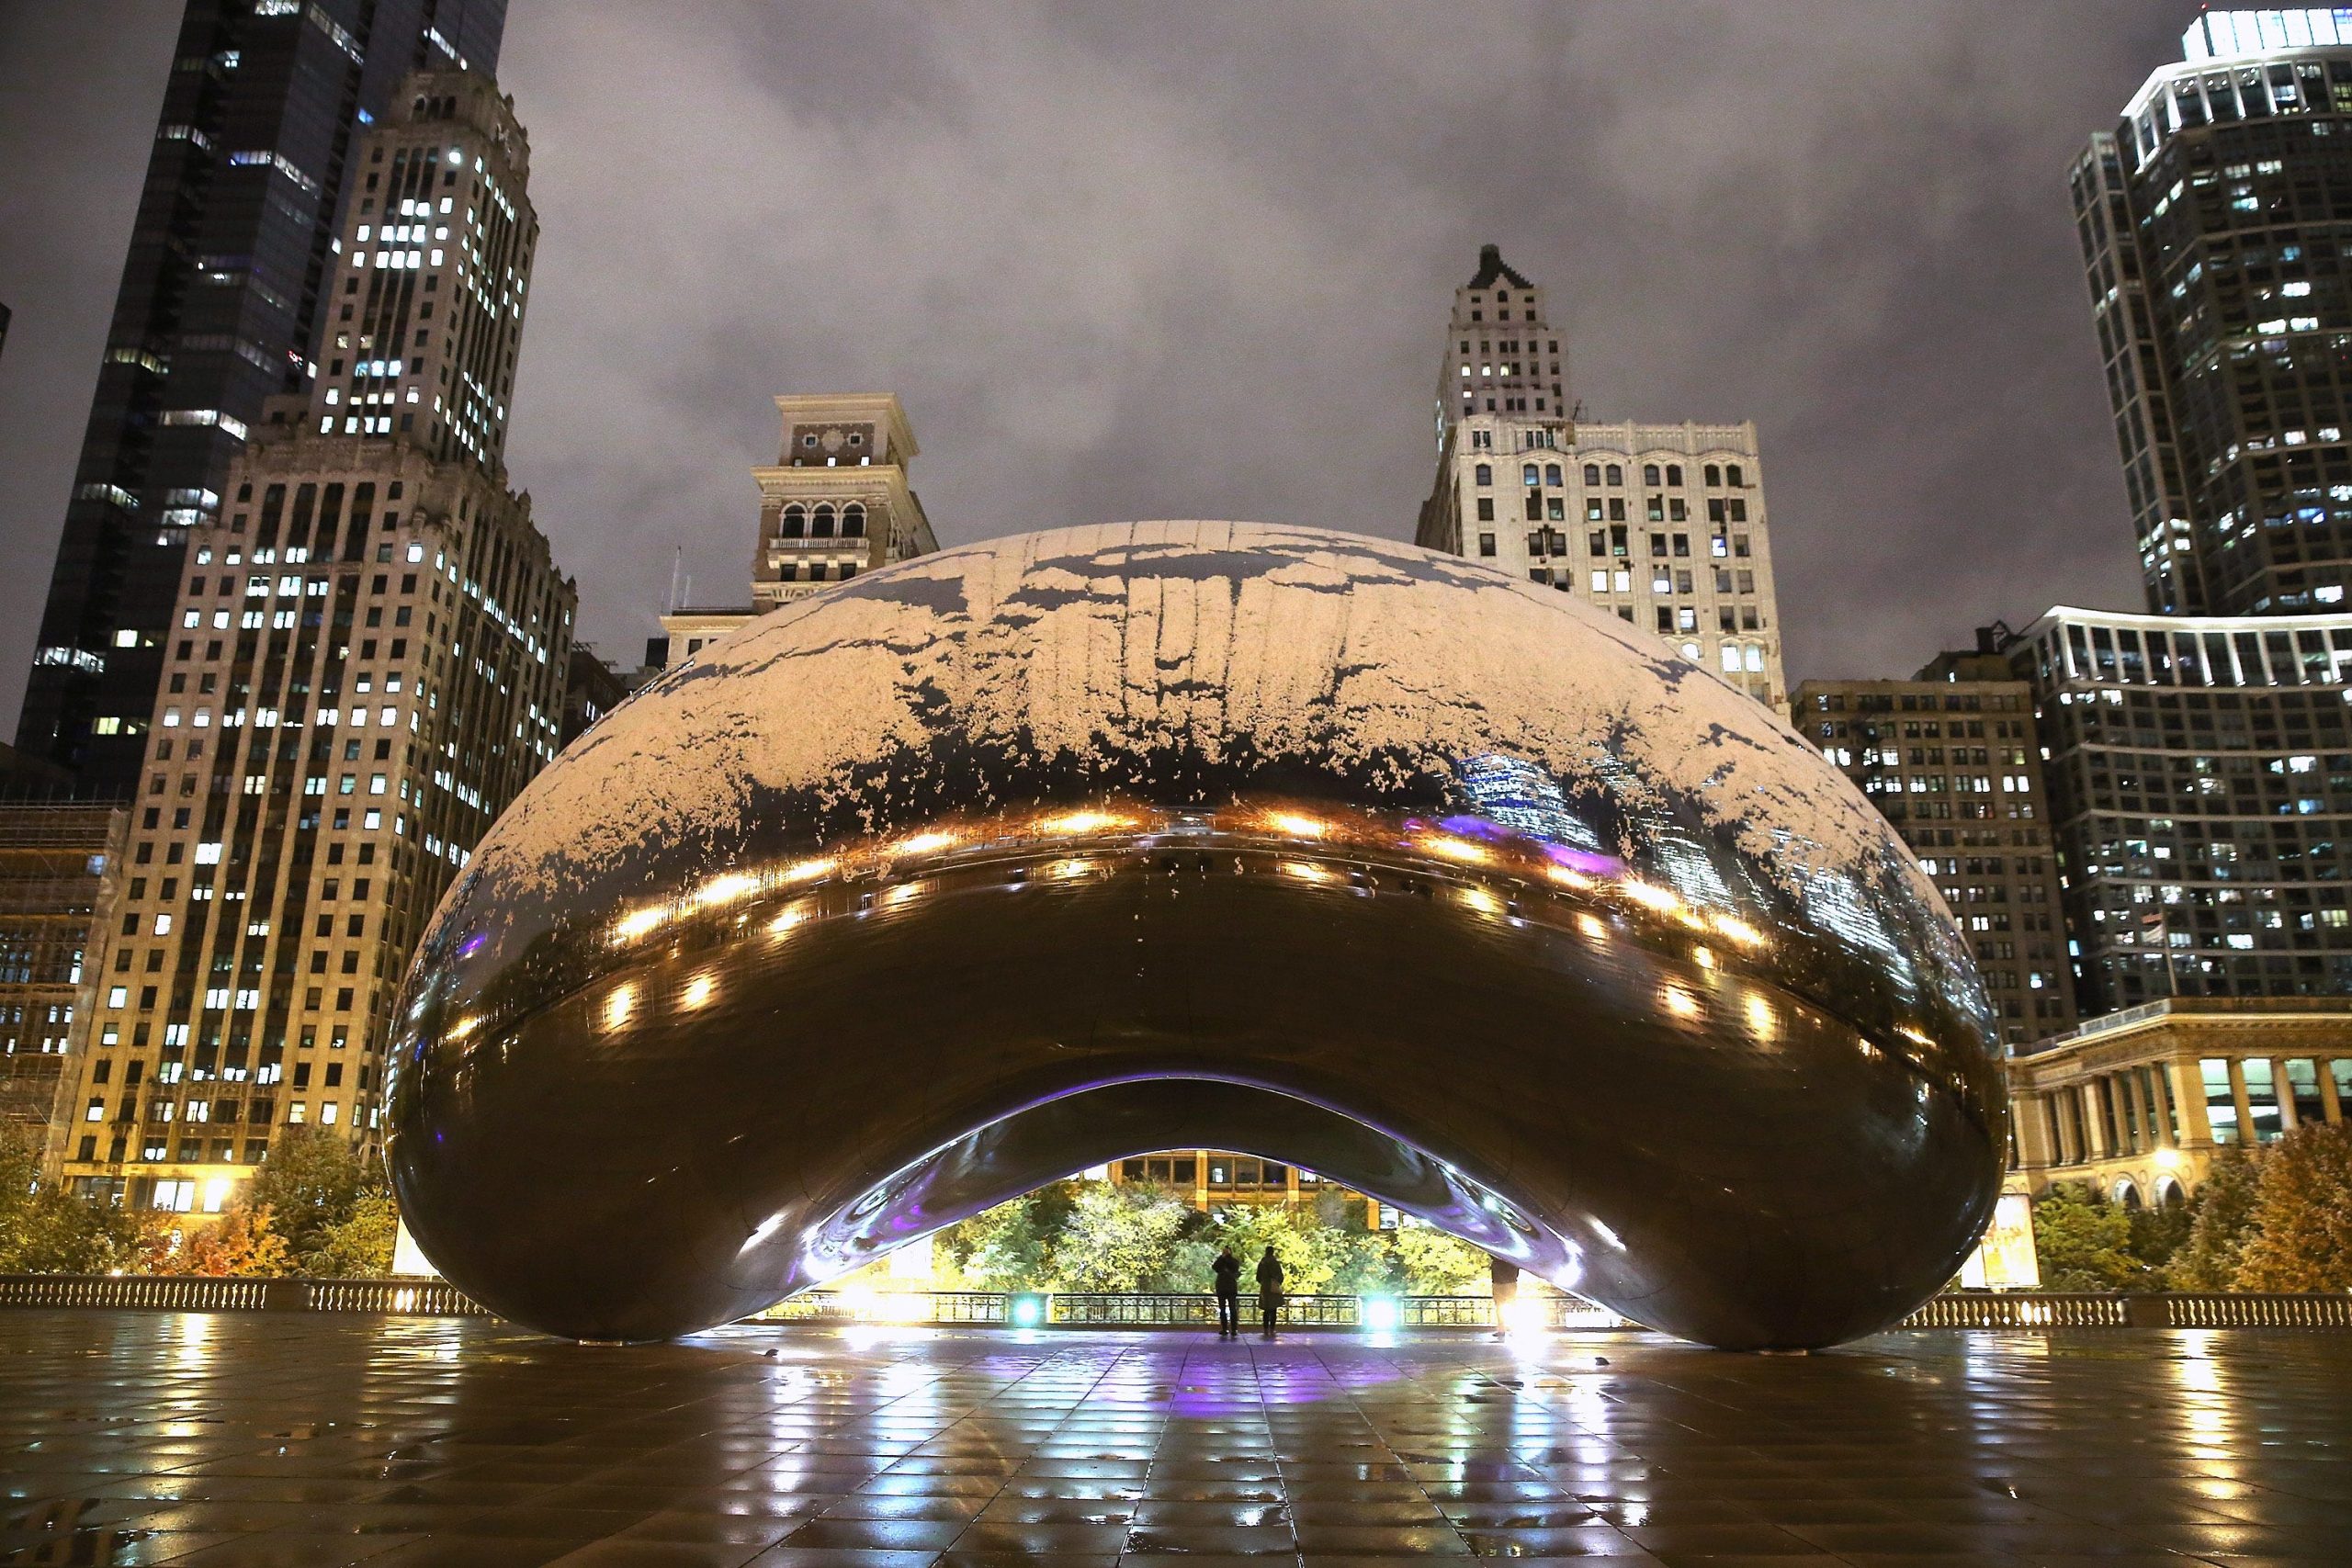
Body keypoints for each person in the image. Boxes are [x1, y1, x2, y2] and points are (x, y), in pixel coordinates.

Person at [1212, 1247, 1241, 1338]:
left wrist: (1227, 1258)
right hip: (1222, 1288)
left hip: (1231, 1288)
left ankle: (1234, 1329)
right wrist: (1222, 1257)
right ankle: (1224, 1328)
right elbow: (1215, 1267)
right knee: (1222, 1310)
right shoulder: (1220, 1261)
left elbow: (1235, 1267)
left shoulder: (1233, 1261)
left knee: (1233, 1309)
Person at [1255, 1245, 1284, 1339]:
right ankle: (1272, 1328)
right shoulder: (1275, 1262)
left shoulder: (1262, 1262)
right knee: (1274, 1309)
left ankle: (1265, 1329)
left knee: (1266, 1309)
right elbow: (1280, 1275)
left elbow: (1258, 1277)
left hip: (1265, 1286)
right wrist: (1276, 1282)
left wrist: (1264, 1282)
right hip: (1273, 1286)